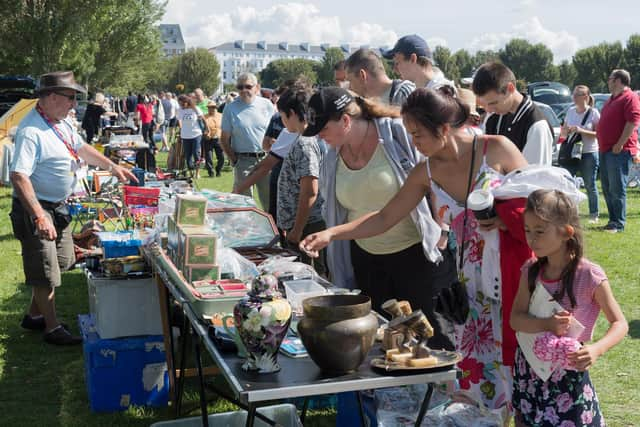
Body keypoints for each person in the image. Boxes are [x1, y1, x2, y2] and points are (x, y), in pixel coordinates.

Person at [301, 88, 530, 409]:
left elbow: (544, 204)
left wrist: (507, 219)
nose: (415, 143)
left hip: (512, 275)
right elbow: (384, 217)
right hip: (468, 286)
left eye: (418, 135)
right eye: (410, 134)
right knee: (475, 377)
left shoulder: (497, 149)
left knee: (524, 370)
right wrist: (333, 233)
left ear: (444, 128)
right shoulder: (426, 171)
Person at [299, 87, 462, 351]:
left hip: (414, 256)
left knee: (432, 339)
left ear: (345, 120)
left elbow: (431, 178)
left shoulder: (396, 134)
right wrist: (332, 235)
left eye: (323, 127)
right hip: (366, 259)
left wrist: (441, 228)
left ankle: (442, 392)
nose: (319, 135)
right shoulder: (332, 156)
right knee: (385, 340)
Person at [10, 71, 137, 345]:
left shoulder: (61, 122)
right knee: (45, 271)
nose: (74, 104)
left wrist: (112, 166)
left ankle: (34, 316)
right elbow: (19, 175)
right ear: (52, 97)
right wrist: (38, 216)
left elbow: (81, 148)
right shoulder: (31, 131)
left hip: (58, 209)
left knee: (64, 261)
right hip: (37, 210)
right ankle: (52, 328)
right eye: (71, 98)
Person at [510, 189, 628, 426]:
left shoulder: (589, 275)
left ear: (566, 232)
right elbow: (516, 320)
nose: (531, 239)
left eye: (540, 231)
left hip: (568, 375)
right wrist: (546, 324)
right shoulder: (532, 271)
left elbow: (620, 323)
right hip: (529, 370)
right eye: (527, 230)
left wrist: (596, 350)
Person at [274, 85, 327, 275]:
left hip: (308, 225)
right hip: (303, 224)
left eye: (282, 116)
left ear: (292, 113)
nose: (282, 122)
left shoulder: (305, 143)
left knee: (311, 274)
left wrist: (297, 229)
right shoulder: (304, 139)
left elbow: (309, 190)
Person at [472, 62, 554, 166]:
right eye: (485, 104)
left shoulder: (537, 126)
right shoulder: (492, 118)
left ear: (510, 88)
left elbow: (535, 178)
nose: (488, 110)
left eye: (494, 103)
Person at [220, 73, 275, 209]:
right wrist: (235, 161)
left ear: (257, 87)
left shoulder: (267, 105)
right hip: (243, 160)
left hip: (265, 160)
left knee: (270, 202)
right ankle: (245, 231)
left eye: (248, 86)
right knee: (243, 203)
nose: (244, 90)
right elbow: (224, 139)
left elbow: (276, 130)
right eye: (240, 87)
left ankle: (273, 230)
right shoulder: (230, 108)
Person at [596, 69, 640, 233]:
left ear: (618, 80)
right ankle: (612, 221)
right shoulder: (612, 99)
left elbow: (632, 122)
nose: (608, 81)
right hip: (606, 149)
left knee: (617, 188)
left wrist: (620, 144)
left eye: (610, 78)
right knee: (607, 187)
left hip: (618, 151)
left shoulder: (630, 97)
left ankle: (619, 223)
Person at [560, 85, 601, 223]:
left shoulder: (594, 113)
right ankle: (570, 213)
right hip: (572, 153)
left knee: (590, 184)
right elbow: (564, 131)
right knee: (568, 181)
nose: (574, 97)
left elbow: (599, 134)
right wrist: (567, 131)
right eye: (573, 94)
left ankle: (594, 214)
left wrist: (581, 131)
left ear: (585, 96)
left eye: (577, 94)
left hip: (589, 152)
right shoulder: (570, 111)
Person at [345, 48, 415, 107]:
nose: (349, 88)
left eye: (350, 81)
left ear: (362, 75)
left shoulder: (405, 94)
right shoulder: (366, 104)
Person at [383, 34, 454, 91]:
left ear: (413, 59)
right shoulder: (426, 91)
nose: (395, 70)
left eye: (397, 63)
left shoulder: (443, 92)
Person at [177, 94, 204, 177]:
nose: (181, 105)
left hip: (196, 134)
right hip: (185, 135)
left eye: (182, 104)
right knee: (187, 155)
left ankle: (197, 172)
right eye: (179, 104)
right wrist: (180, 129)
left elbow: (202, 117)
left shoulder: (195, 109)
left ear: (187, 102)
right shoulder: (180, 110)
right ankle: (191, 172)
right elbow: (179, 120)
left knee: (196, 153)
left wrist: (207, 129)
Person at [202, 100, 224, 177]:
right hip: (208, 139)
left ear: (216, 108)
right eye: (209, 107)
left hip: (219, 139)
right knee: (209, 158)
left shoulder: (221, 116)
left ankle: (218, 170)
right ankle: (211, 172)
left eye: (212, 107)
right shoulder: (204, 117)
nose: (211, 109)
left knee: (221, 158)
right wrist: (205, 133)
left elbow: (224, 127)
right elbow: (202, 127)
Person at [135, 94, 156, 171]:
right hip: (151, 121)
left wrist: (136, 122)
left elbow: (137, 115)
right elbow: (154, 101)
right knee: (151, 135)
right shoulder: (149, 105)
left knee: (145, 136)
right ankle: (154, 147)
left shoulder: (139, 106)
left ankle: (147, 148)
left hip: (145, 122)